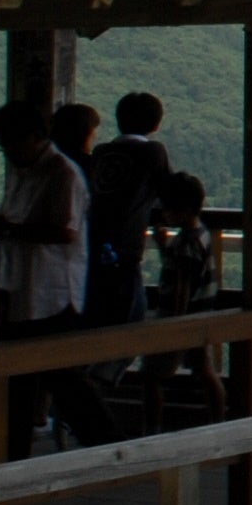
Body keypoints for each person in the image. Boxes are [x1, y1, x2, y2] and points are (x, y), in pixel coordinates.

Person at [0, 101, 113, 454]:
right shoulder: (25, 171)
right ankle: (13, 453)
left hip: (53, 294)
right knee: (27, 381)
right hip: (22, 290)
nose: (7, 151)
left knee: (65, 381)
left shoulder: (62, 173)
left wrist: (8, 229)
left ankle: (106, 446)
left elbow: (65, 232)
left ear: (34, 137)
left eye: (10, 143)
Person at [139, 172, 228, 431]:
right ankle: (218, 424)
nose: (163, 212)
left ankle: (151, 431)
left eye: (167, 207)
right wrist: (164, 246)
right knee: (205, 371)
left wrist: (173, 323)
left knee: (150, 375)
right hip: (201, 315)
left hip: (179, 319)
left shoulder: (185, 243)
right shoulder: (201, 234)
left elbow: (182, 283)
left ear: (183, 209)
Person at [80, 91, 173, 332]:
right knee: (128, 323)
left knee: (100, 318)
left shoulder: (100, 152)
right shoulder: (153, 151)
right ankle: (104, 370)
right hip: (126, 249)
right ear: (156, 124)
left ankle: (96, 367)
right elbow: (170, 193)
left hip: (93, 246)